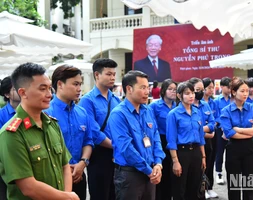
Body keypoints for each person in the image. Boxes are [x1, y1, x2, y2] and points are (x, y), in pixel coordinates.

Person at [0, 62, 79, 200]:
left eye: (49, 88)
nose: (49, 94)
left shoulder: (52, 124)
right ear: (23, 93)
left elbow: (65, 166)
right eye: (43, 89)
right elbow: (28, 187)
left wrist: (66, 194)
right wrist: (67, 198)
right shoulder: (11, 133)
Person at [108, 70, 165, 200]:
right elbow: (126, 148)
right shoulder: (118, 114)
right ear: (129, 89)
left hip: (150, 172)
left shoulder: (147, 110)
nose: (147, 92)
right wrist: (149, 170)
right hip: (130, 175)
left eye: (148, 88)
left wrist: (158, 163)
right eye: (143, 88)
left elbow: (155, 137)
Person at [45, 65, 94, 200]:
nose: (79, 89)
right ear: (60, 84)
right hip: (55, 177)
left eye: (80, 84)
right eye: (75, 84)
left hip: (79, 175)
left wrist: (82, 163)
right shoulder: (46, 113)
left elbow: (88, 141)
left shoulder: (82, 113)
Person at [78, 58, 121, 200]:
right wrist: (117, 146)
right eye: (108, 74)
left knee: (115, 194)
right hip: (99, 154)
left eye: (114, 74)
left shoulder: (115, 99)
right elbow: (94, 133)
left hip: (117, 154)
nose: (113, 77)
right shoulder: (87, 100)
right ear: (97, 75)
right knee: (100, 194)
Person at [220, 77, 253, 200]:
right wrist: (251, 132)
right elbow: (229, 133)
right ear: (234, 92)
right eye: (242, 91)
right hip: (233, 148)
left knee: (249, 185)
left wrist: (240, 130)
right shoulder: (226, 111)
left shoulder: (252, 108)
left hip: (250, 149)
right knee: (234, 186)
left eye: (247, 91)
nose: (246, 93)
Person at [166, 81, 206, 200]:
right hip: (181, 153)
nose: (191, 96)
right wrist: (175, 161)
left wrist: (203, 156)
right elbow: (171, 140)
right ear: (179, 96)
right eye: (187, 93)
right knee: (180, 188)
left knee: (195, 187)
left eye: (193, 93)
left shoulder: (197, 112)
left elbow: (201, 136)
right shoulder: (173, 114)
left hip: (196, 152)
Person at [189, 77, 217, 199]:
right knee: (196, 170)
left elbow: (212, 123)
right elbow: (191, 128)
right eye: (197, 89)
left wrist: (201, 129)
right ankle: (198, 190)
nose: (200, 92)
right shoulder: (187, 106)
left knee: (208, 165)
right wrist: (204, 131)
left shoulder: (205, 105)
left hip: (207, 142)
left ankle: (207, 188)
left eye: (202, 89)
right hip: (194, 144)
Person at [149, 79, 177, 200]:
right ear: (164, 91)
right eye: (170, 89)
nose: (173, 92)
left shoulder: (178, 106)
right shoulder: (155, 106)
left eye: (175, 90)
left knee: (173, 174)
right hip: (161, 140)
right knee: (162, 173)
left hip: (175, 142)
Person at [0, 76, 21, 199]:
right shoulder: (1, 115)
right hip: (6, 171)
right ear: (7, 94)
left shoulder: (32, 113)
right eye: (15, 88)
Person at [202, 77, 219, 198]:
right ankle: (202, 188)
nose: (212, 90)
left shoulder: (214, 102)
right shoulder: (197, 102)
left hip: (213, 135)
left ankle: (210, 187)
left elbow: (217, 117)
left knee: (211, 161)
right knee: (203, 163)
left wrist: (213, 125)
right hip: (202, 135)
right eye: (209, 88)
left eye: (213, 87)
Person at [214, 76, 231, 185]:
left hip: (231, 130)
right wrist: (222, 125)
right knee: (219, 152)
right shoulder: (216, 101)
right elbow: (215, 116)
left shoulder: (233, 100)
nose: (230, 89)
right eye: (228, 87)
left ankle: (230, 173)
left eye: (231, 87)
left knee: (231, 153)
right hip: (220, 130)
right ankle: (219, 173)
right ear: (222, 87)